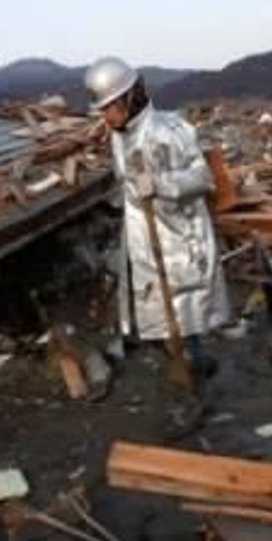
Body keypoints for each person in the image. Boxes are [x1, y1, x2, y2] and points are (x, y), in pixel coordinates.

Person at [84, 56, 229, 377]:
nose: (105, 117)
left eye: (109, 107)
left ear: (129, 96)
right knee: (157, 305)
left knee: (182, 304)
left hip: (177, 234)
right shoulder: (119, 135)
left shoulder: (170, 130)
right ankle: (180, 358)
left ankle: (192, 365)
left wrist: (162, 185)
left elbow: (203, 178)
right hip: (143, 234)